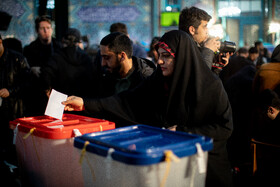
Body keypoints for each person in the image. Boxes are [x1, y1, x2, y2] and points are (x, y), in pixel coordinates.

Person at [62, 30, 234, 187]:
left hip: (206, 168)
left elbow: (224, 127)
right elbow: (127, 100)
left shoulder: (210, 86)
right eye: (159, 55)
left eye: (166, 56)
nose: (159, 61)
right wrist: (85, 103)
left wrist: (183, 131)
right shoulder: (158, 81)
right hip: (172, 165)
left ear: (182, 57)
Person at [0, 34, 30, 183]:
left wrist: (10, 91)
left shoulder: (17, 59)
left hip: (15, 110)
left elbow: (28, 83)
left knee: (14, 150)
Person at [23, 15, 62, 116]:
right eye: (42, 28)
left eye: (48, 28)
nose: (46, 31)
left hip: (56, 90)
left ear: (52, 29)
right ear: (37, 31)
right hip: (37, 93)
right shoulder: (30, 49)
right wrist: (31, 69)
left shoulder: (59, 47)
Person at [41, 28, 95, 99]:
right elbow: (93, 79)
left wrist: (47, 89)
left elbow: (46, 75)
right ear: (79, 41)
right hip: (81, 101)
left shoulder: (56, 56)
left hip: (60, 101)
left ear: (64, 40)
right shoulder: (86, 58)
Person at [178, 6, 231, 74]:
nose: (207, 31)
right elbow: (200, 78)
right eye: (204, 27)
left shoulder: (196, 48)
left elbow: (208, 82)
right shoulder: (182, 51)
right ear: (192, 30)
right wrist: (208, 51)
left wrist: (217, 65)